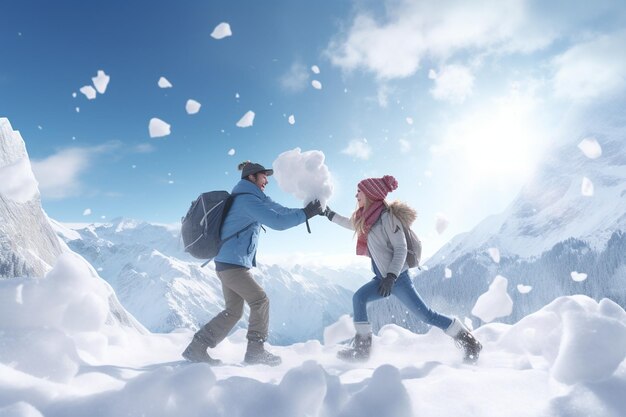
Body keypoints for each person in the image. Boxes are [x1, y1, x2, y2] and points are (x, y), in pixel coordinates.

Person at [322, 175, 482, 363]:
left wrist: (391, 276)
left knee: (427, 315)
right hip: (383, 279)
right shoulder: (365, 218)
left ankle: (469, 341)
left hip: (397, 279)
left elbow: (401, 248)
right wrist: (327, 213)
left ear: (370, 194)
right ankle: (362, 349)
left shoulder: (388, 218)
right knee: (359, 298)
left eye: (360, 192)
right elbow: (350, 224)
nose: (356, 195)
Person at [182, 161, 323, 366]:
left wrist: (308, 211)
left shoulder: (254, 199)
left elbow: (281, 210)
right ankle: (255, 352)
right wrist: (304, 215)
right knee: (260, 301)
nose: (267, 180)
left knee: (234, 311)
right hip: (232, 266)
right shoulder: (247, 202)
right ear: (251, 177)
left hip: (227, 263)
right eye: (263, 176)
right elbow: (278, 222)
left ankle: (197, 347)